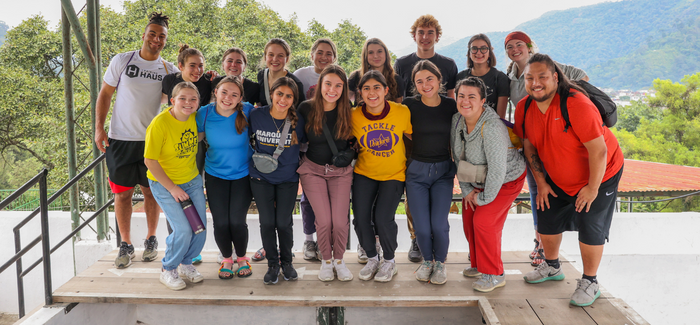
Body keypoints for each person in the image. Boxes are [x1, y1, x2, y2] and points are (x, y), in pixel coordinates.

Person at [514, 54, 624, 306]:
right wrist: (541, 182)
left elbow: (599, 151)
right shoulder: (524, 107)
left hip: (601, 173)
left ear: (555, 77)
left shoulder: (575, 104)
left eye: (542, 77)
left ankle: (590, 281)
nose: (536, 83)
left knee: (590, 224)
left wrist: (592, 188)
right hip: (555, 174)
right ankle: (552, 267)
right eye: (530, 78)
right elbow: (529, 145)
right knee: (546, 217)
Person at [94, 12, 178, 269]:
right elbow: (105, 94)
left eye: (161, 36)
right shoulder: (123, 60)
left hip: (152, 142)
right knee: (122, 196)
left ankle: (151, 239)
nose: (156, 39)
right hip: (120, 140)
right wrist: (99, 128)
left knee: (151, 192)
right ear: (143, 35)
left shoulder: (168, 70)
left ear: (165, 40)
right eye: (152, 33)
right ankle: (126, 244)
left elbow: (182, 98)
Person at [504, 31, 589, 266]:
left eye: (519, 44)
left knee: (557, 195)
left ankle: (548, 251)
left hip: (559, 141)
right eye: (509, 47)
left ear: (529, 46)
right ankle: (539, 244)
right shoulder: (510, 77)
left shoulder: (547, 64)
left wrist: (571, 104)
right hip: (533, 144)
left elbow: (582, 77)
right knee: (537, 194)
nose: (514, 49)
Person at [451, 77, 526, 292]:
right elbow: (457, 157)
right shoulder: (457, 120)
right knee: (468, 217)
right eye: (461, 96)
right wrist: (467, 192)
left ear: (483, 100)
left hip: (506, 179)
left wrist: (483, 198)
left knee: (484, 221)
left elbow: (497, 169)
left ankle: (494, 273)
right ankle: (478, 264)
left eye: (472, 97)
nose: (465, 101)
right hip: (476, 179)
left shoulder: (491, 127)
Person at [394, 15, 458, 262]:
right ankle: (417, 243)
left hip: (441, 158)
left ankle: (437, 260)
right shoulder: (402, 64)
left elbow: (453, 117)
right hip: (414, 151)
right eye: (421, 32)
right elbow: (399, 110)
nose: (425, 36)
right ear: (414, 35)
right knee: (416, 210)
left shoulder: (448, 66)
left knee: (438, 220)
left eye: (430, 32)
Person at [144, 81, 206, 291]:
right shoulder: (159, 124)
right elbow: (150, 161)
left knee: (200, 229)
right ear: (172, 101)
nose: (188, 103)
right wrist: (172, 188)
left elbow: (196, 136)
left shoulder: (194, 117)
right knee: (183, 229)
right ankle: (168, 268)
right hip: (165, 184)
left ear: (198, 103)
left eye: (193, 99)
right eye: (182, 99)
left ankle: (186, 264)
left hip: (192, 180)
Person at [352, 71, 412, 282]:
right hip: (364, 173)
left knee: (383, 218)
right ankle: (371, 258)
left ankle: (389, 260)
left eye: (377, 87)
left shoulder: (401, 111)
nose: (372, 92)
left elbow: (413, 137)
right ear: (360, 93)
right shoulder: (354, 115)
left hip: (394, 174)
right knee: (360, 218)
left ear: (386, 91)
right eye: (366, 88)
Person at [297, 65, 355, 282]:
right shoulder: (306, 108)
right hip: (312, 170)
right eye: (328, 84)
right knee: (324, 221)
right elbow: (297, 138)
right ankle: (326, 261)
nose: (333, 89)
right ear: (320, 84)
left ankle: (339, 261)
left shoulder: (348, 109)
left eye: (338, 85)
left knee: (339, 222)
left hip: (340, 172)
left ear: (344, 88)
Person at [402, 60, 457, 285]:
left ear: (439, 80)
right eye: (419, 81)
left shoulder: (451, 105)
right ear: (415, 85)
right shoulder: (409, 105)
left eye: (429, 79)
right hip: (416, 172)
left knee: (438, 224)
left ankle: (440, 263)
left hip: (443, 171)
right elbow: (401, 129)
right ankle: (427, 262)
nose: (425, 85)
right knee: (422, 227)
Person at [249, 77, 306, 285]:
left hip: (288, 178)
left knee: (283, 222)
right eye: (279, 94)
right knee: (267, 222)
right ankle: (272, 264)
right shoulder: (256, 115)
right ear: (271, 94)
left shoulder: (299, 120)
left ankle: (287, 262)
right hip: (260, 177)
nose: (283, 99)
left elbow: (307, 146)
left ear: (294, 99)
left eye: (288, 96)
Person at [197, 76, 254, 279]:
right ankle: (227, 259)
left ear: (240, 98)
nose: (228, 98)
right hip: (215, 175)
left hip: (243, 175)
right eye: (224, 92)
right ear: (216, 92)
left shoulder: (248, 111)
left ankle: (242, 258)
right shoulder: (204, 114)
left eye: (234, 94)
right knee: (221, 222)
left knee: (237, 222)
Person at [294, 38, 338, 261]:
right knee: (308, 198)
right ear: (312, 55)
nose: (324, 57)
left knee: (330, 200)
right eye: (320, 52)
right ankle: (309, 240)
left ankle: (325, 242)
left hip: (330, 148)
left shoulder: (339, 76)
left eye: (329, 53)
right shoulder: (300, 75)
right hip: (306, 146)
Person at [455, 34, 509, 119]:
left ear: (489, 53)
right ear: (469, 53)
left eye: (483, 48)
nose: (478, 52)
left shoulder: (500, 78)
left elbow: (500, 118)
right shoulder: (460, 77)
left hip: (491, 127)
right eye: (474, 48)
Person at [348, 38, 405, 105]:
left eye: (379, 51)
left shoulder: (396, 79)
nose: (375, 56)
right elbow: (344, 102)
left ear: (386, 54)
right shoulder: (356, 77)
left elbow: (398, 108)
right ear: (366, 56)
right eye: (371, 52)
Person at [256, 38, 306, 106]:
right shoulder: (261, 75)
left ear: (287, 59)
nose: (275, 59)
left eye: (280, 56)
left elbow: (299, 111)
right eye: (271, 55)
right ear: (265, 57)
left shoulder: (296, 83)